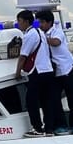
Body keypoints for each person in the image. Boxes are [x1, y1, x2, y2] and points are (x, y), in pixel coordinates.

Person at [37, 9, 73, 135]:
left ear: (49, 22)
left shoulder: (57, 31)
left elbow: (56, 42)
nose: (40, 25)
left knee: (72, 99)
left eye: (42, 22)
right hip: (55, 71)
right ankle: (61, 125)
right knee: (54, 99)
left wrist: (42, 38)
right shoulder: (40, 33)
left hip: (68, 69)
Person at [14, 9, 55, 137]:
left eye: (19, 21)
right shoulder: (41, 33)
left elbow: (23, 56)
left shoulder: (29, 35)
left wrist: (17, 72)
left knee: (31, 101)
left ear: (26, 21)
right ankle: (49, 129)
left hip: (37, 71)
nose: (18, 24)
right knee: (46, 101)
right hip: (48, 70)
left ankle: (37, 128)